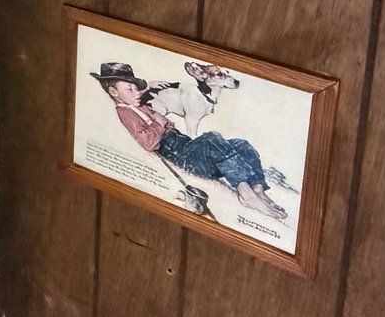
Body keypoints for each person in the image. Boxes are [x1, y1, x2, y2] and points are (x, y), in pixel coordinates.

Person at [90, 62, 287, 221]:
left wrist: (158, 113)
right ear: (114, 92)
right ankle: (246, 194)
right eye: (130, 88)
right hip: (179, 155)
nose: (136, 91)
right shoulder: (125, 112)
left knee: (241, 144)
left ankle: (258, 190)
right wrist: (159, 123)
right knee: (211, 138)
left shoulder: (137, 104)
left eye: (135, 87)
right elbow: (148, 142)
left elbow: (164, 120)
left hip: (183, 145)